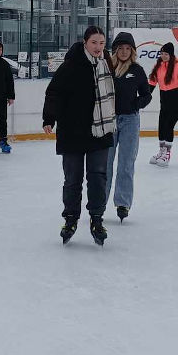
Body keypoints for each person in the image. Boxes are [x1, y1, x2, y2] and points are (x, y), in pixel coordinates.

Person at [43, 26, 116, 246]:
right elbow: (53, 92)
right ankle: (71, 219)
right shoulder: (70, 66)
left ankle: (96, 218)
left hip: (99, 131)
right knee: (73, 179)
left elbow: (114, 93)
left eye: (102, 43)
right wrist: (49, 118)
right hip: (72, 131)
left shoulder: (106, 64)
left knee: (98, 177)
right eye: (94, 42)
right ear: (85, 42)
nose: (98, 47)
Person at [104, 32, 152, 222]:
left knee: (126, 163)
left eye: (127, 48)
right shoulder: (107, 68)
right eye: (120, 48)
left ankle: (123, 203)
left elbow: (147, 95)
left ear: (132, 51)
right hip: (109, 120)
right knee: (104, 163)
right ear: (115, 50)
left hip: (130, 120)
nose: (124, 51)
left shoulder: (137, 70)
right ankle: (99, 201)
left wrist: (136, 104)